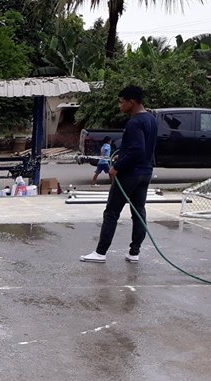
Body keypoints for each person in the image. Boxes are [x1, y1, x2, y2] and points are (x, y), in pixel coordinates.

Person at [80, 85, 158, 264]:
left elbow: (136, 149)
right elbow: (143, 147)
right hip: (145, 172)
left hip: (130, 173)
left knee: (111, 212)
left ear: (132, 102)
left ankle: (100, 253)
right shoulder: (151, 120)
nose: (119, 105)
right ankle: (134, 253)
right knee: (138, 212)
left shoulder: (134, 122)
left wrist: (117, 167)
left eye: (122, 102)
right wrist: (123, 156)